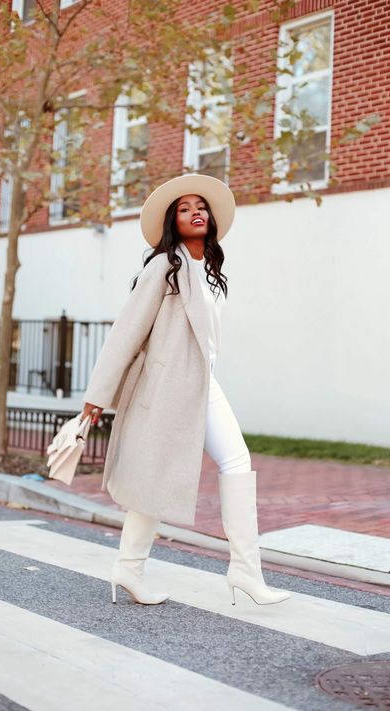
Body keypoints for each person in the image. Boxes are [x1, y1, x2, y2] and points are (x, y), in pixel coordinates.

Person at [82, 173, 290, 608]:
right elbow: (126, 333)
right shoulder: (164, 266)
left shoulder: (211, 271)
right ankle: (130, 568)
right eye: (184, 208)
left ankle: (245, 571)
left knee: (237, 459)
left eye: (201, 206)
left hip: (201, 384)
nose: (196, 211)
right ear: (172, 222)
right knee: (154, 477)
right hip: (164, 387)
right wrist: (98, 395)